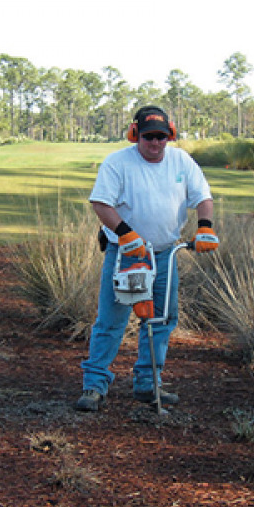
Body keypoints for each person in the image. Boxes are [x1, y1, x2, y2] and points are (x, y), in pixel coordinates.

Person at [76, 106, 219, 412]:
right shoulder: (118, 163)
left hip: (166, 253)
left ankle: (147, 383)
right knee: (111, 320)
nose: (155, 143)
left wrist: (205, 227)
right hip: (127, 253)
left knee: (161, 319)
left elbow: (203, 197)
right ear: (135, 134)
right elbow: (101, 203)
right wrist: (126, 234)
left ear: (170, 135)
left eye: (162, 137)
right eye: (149, 136)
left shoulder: (181, 160)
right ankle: (94, 386)